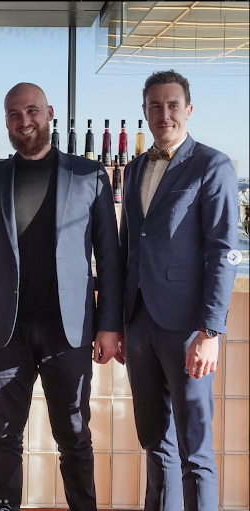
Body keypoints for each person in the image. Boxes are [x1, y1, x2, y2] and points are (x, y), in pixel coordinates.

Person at [0, 83, 124, 511]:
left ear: (49, 113)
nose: (24, 121)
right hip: (3, 330)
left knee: (73, 433)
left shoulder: (89, 175)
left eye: (31, 111)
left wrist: (108, 324)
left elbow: (109, 254)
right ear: (6, 122)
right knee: (5, 431)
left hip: (67, 329)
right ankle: (3, 506)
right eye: (14, 114)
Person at [119, 70, 239, 510]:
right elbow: (126, 247)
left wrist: (210, 331)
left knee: (195, 449)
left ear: (188, 110)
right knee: (155, 443)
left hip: (187, 329)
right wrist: (114, 322)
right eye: (155, 105)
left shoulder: (213, 164)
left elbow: (224, 250)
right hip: (140, 325)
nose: (164, 113)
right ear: (145, 112)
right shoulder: (133, 170)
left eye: (173, 105)